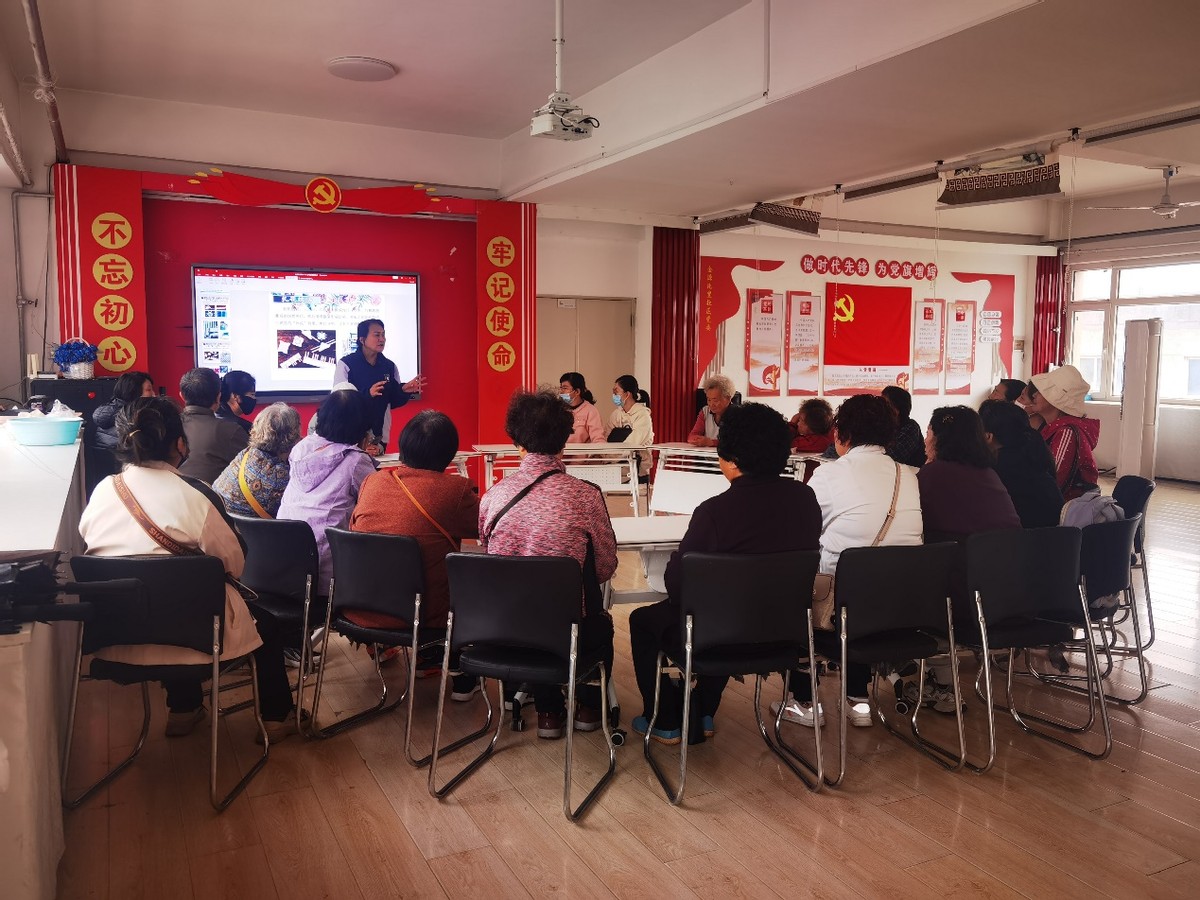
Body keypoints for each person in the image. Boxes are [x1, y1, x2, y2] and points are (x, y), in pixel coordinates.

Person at [78, 396, 298, 741]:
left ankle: (183, 709)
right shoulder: (196, 495)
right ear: (180, 444)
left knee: (166, 599)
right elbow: (234, 564)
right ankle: (277, 719)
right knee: (263, 625)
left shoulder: (102, 491)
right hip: (196, 640)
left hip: (117, 638)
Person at [629, 403, 822, 745]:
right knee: (723, 612)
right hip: (785, 636)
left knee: (645, 621)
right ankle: (703, 709)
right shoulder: (805, 500)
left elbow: (678, 586)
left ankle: (665, 720)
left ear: (730, 459)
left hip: (720, 637)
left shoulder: (714, 512)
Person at [775, 393, 923, 728]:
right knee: (864, 576)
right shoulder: (908, 475)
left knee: (798, 587)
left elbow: (803, 533)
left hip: (839, 615)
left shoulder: (830, 474)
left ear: (842, 433)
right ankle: (858, 700)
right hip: (902, 609)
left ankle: (804, 702)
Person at [478, 390, 617, 740]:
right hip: (570, 631)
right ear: (564, 440)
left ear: (517, 442)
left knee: (532, 609)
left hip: (505, 629)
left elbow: (489, 556)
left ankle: (548, 712)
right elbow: (605, 567)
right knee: (595, 620)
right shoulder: (585, 495)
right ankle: (588, 707)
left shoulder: (493, 496)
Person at [349, 410, 479, 636]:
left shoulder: (372, 482)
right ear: (449, 453)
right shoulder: (455, 492)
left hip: (360, 609)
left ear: (403, 447)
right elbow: (489, 528)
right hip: (423, 615)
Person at [277, 389, 377, 595]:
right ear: (361, 427)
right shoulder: (355, 460)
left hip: (285, 562)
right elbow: (377, 503)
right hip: (327, 575)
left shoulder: (301, 448)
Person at [918, 406, 1021, 542]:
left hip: (970, 552)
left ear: (939, 439)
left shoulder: (933, 472)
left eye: (928, 434)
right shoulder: (988, 472)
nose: (925, 440)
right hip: (1013, 548)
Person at [334, 318, 426, 453]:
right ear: (362, 339)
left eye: (383, 335)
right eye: (377, 335)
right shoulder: (346, 364)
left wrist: (403, 390)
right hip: (349, 434)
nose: (382, 339)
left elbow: (393, 401)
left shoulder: (389, 366)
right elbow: (338, 399)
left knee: (375, 466)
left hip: (378, 436)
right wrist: (367, 394)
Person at [979, 400, 1064, 528]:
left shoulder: (996, 468)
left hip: (1022, 537)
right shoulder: (1034, 456)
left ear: (988, 436)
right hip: (1056, 537)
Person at [213, 402, 302, 519]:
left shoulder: (246, 453)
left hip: (220, 519)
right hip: (246, 529)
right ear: (293, 436)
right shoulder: (281, 478)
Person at [1027, 365, 1100, 501]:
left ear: (1056, 400)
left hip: (1068, 507)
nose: (1034, 395)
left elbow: (1053, 481)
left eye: (1042, 392)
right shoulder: (1052, 427)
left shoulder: (1066, 432)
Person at [178, 367, 249, 484]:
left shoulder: (166, 426)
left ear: (182, 396)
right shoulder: (231, 431)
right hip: (210, 495)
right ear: (218, 397)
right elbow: (254, 468)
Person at [91, 371, 155, 452]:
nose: (154, 395)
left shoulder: (108, 414)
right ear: (133, 392)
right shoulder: (134, 420)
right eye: (149, 390)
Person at [609, 374, 655, 480]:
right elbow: (606, 436)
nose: (613, 395)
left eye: (616, 392)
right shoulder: (616, 414)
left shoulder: (642, 415)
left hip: (637, 470)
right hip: (614, 467)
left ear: (627, 394)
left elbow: (632, 443)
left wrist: (611, 457)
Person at [881, 385, 926, 468]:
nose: (880, 407)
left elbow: (891, 458)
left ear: (896, 409)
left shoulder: (910, 427)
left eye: (885, 404)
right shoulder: (885, 427)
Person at [687, 374, 736, 447]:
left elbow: (735, 442)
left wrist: (711, 442)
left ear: (728, 398)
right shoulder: (705, 411)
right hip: (707, 454)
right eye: (709, 400)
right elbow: (693, 435)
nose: (711, 404)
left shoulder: (737, 414)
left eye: (715, 400)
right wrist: (696, 439)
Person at [559, 372, 605, 443]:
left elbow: (598, 439)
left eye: (565, 388)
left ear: (577, 391)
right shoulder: (559, 410)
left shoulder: (591, 411)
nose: (561, 392)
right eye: (561, 388)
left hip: (581, 450)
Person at [216, 370, 257, 434]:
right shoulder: (241, 428)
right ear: (235, 396)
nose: (254, 398)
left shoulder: (212, 417)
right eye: (252, 394)